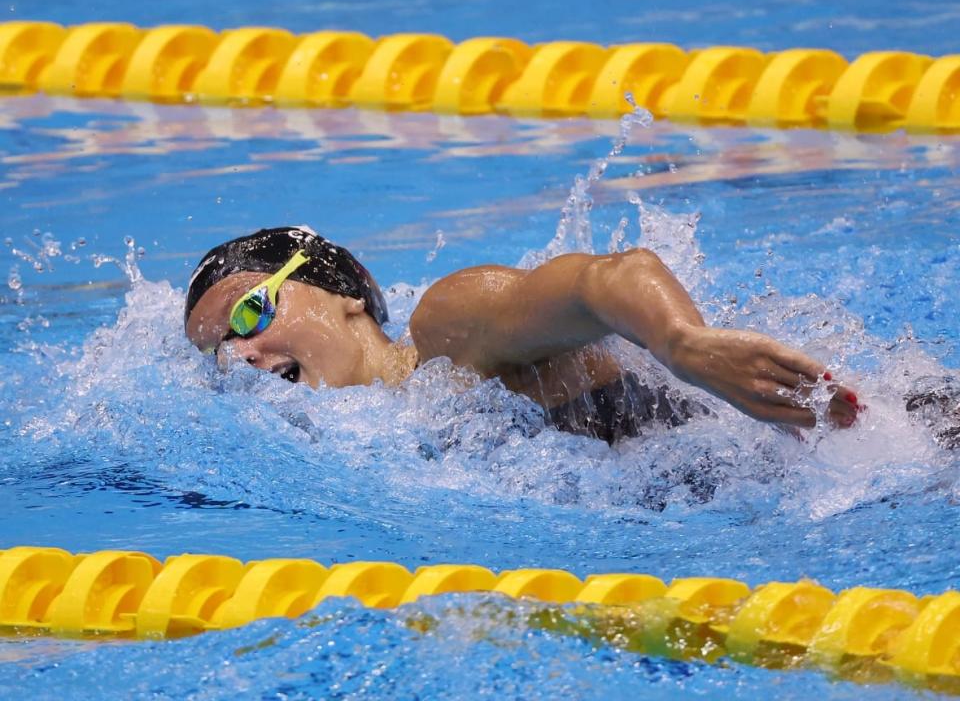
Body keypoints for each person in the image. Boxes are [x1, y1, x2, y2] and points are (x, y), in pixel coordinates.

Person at [184, 226, 864, 443]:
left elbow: (604, 281)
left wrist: (684, 343)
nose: (241, 355)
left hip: (866, 439)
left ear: (344, 297)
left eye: (251, 314)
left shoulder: (448, 332)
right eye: (222, 354)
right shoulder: (391, 436)